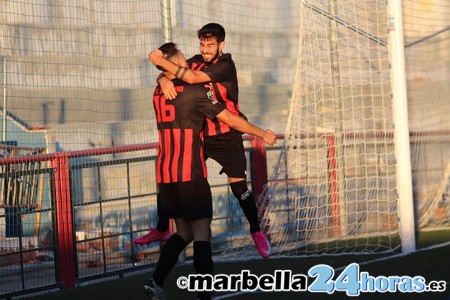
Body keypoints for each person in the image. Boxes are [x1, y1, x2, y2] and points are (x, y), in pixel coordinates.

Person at [144, 42, 276, 300]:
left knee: (185, 231)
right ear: (175, 61)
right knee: (202, 233)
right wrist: (262, 133)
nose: (189, 55)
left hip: (167, 174)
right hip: (191, 170)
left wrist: (162, 78)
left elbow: (168, 69)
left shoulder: (158, 93)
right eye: (181, 55)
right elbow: (229, 118)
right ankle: (205, 295)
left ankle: (156, 281)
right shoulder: (193, 90)